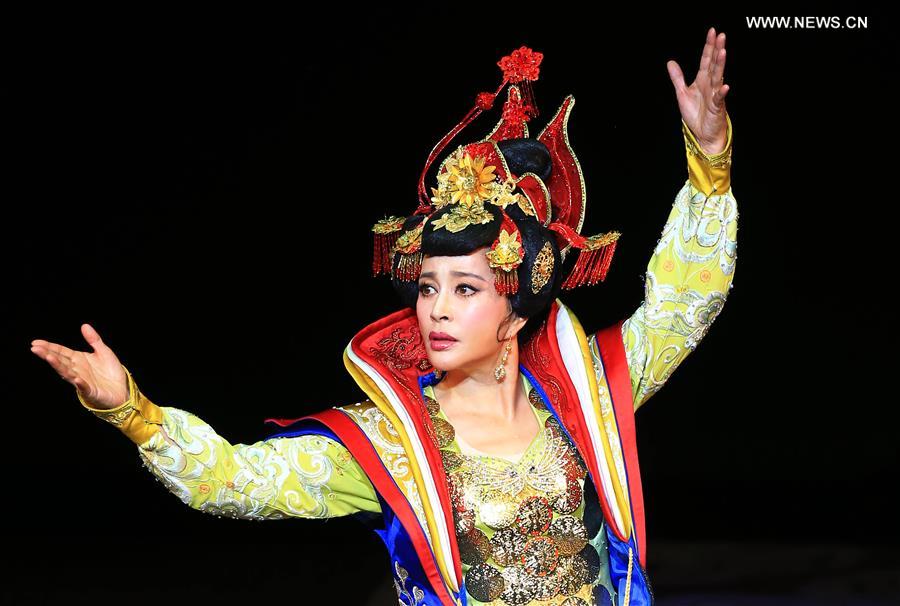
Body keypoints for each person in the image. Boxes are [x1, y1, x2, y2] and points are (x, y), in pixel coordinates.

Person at [31, 30, 736, 606]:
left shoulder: (586, 400)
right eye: (428, 288)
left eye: (464, 290)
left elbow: (683, 305)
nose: (435, 308)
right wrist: (133, 412)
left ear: (515, 312)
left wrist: (710, 160)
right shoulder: (390, 443)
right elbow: (233, 483)